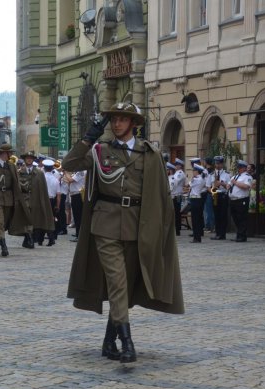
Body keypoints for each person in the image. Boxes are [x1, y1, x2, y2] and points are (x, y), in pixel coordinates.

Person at [62, 102, 184, 363]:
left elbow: (161, 195)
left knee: (124, 288)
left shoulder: (148, 153)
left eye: (122, 119)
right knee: (118, 282)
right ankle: (127, 342)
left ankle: (108, 341)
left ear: (133, 124)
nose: (116, 124)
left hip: (137, 225)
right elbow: (69, 163)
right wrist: (87, 137)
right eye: (113, 119)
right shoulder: (99, 150)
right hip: (105, 224)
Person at [17, 150, 54, 248]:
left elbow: (43, 189)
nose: (29, 160)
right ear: (24, 160)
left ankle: (29, 239)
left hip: (35, 200)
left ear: (33, 160)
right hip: (24, 200)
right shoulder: (19, 172)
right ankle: (29, 239)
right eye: (27, 158)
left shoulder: (39, 173)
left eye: (31, 158)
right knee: (26, 219)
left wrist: (42, 201)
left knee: (33, 220)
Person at [227, 160, 253, 242]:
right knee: (235, 218)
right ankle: (239, 234)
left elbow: (246, 186)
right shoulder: (235, 176)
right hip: (233, 200)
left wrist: (235, 182)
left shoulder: (247, 177)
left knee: (241, 218)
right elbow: (229, 184)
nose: (238, 169)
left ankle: (242, 236)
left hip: (242, 200)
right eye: (238, 167)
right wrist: (228, 185)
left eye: (240, 167)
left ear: (244, 168)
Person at [207, 156, 231, 240]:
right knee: (216, 215)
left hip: (223, 195)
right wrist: (212, 191)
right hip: (215, 195)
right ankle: (217, 233)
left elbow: (229, 186)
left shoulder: (227, 174)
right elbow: (207, 187)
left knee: (223, 215)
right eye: (216, 163)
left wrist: (221, 184)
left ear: (222, 164)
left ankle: (222, 234)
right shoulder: (211, 174)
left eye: (219, 163)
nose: (218, 165)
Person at [41, 159, 62, 246]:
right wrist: (57, 206)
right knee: (52, 219)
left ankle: (41, 238)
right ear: (52, 168)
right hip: (52, 200)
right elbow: (58, 195)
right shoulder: (56, 180)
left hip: (44, 199)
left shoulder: (42, 178)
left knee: (42, 219)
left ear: (44, 168)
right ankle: (52, 237)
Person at [189, 164, 207, 243]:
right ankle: (198, 236)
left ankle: (196, 237)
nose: (193, 172)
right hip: (198, 199)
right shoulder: (202, 179)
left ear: (197, 171)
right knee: (198, 219)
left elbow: (189, 184)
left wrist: (192, 178)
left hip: (195, 199)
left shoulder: (196, 179)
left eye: (193, 171)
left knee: (195, 220)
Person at [170, 158, 186, 236]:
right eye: (175, 165)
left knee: (177, 213)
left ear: (180, 166)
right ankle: (175, 228)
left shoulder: (180, 173)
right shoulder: (176, 173)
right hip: (173, 195)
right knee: (173, 213)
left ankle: (177, 230)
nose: (175, 166)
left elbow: (175, 182)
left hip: (178, 195)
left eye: (177, 165)